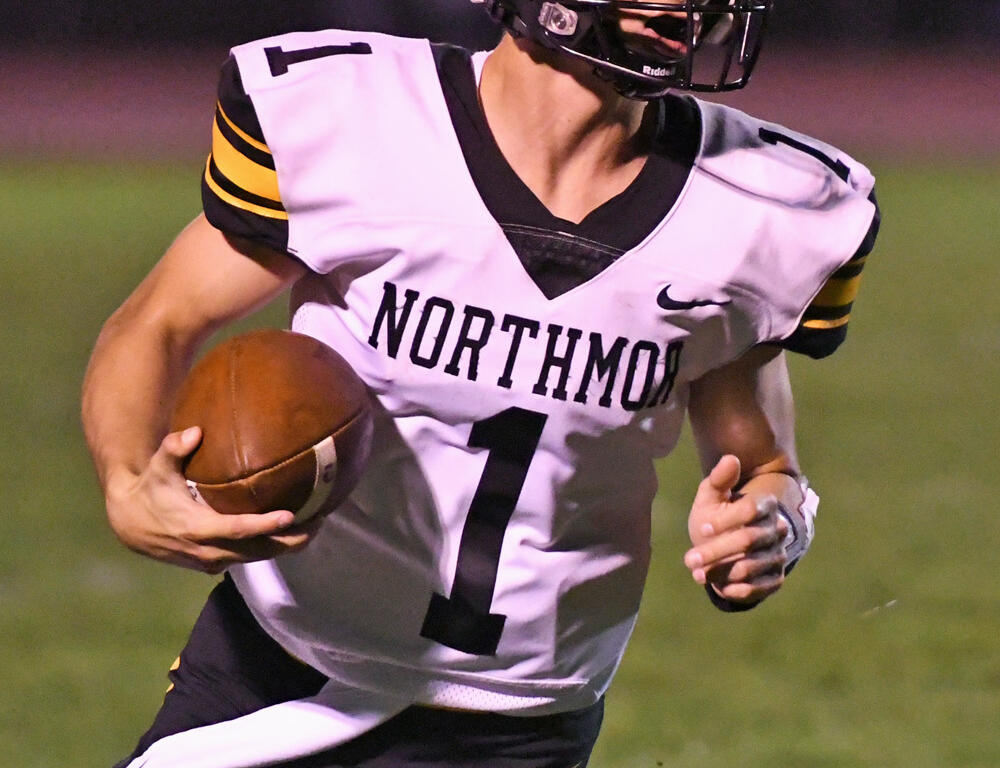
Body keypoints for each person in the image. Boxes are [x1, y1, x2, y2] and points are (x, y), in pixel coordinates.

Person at [82, 1, 880, 766]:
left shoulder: (760, 209)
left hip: (523, 723)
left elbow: (764, 467)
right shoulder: (358, 121)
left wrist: (771, 522)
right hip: (280, 670)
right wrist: (126, 482)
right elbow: (158, 323)